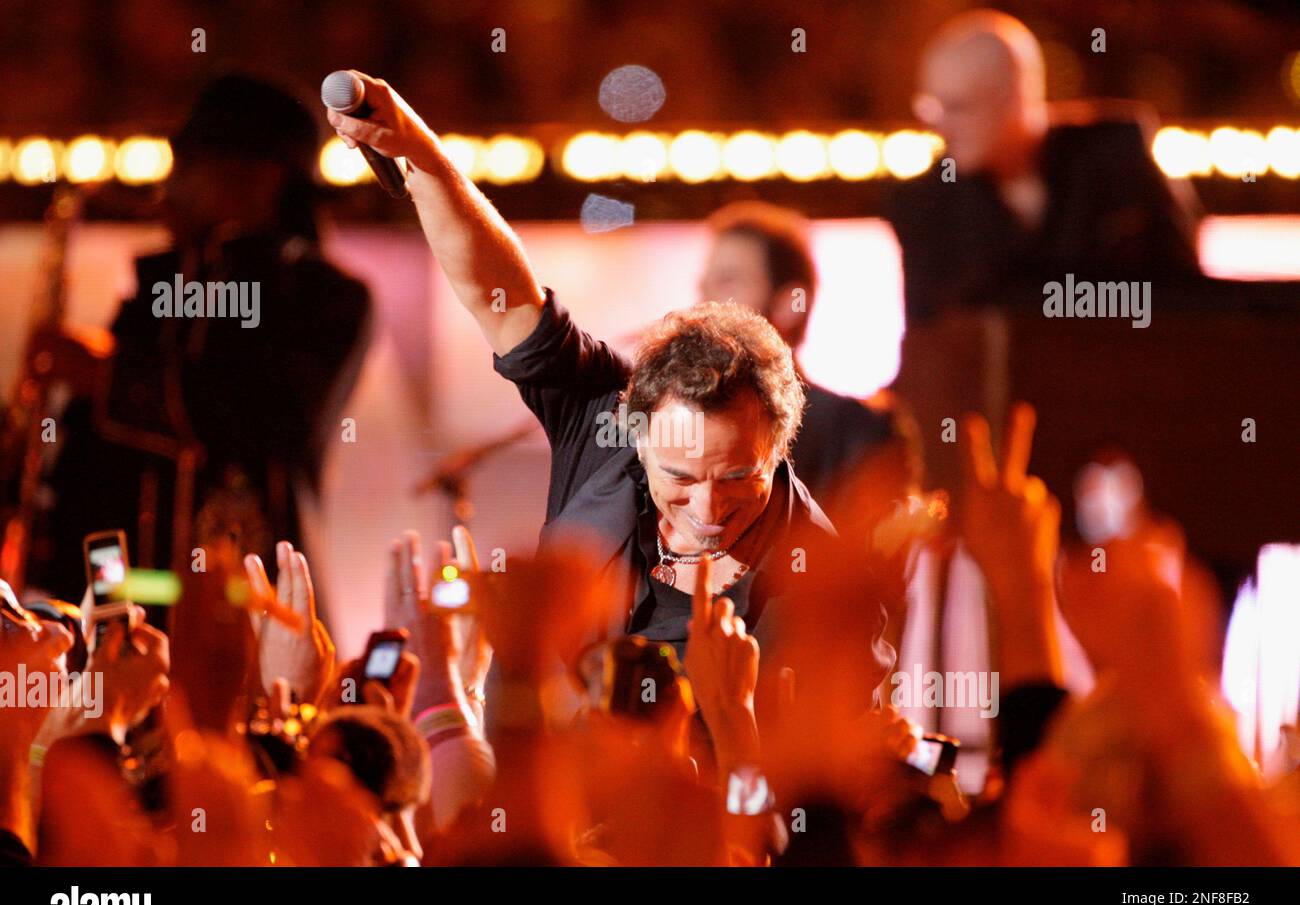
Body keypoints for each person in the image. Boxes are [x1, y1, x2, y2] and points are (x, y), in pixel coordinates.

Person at [323, 74, 893, 683]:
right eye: (678, 475)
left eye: (735, 477)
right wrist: (421, 155)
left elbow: (813, 773)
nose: (707, 508)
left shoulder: (819, 590)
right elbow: (504, 300)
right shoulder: (605, 421)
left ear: (779, 449)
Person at [34, 73, 372, 603]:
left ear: (256, 176)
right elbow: (101, 453)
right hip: (127, 602)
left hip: (248, 611)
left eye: (187, 164)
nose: (170, 184)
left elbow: (272, 418)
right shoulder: (168, 282)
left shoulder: (325, 296)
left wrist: (106, 375)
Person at [885, 8, 1203, 327]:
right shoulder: (924, 205)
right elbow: (933, 339)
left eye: (958, 107)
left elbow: (1189, 299)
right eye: (931, 109)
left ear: (1014, 97)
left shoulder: (1118, 161)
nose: (942, 128)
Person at [701, 201, 921, 532]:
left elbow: (868, 563)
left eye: (729, 282)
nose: (705, 303)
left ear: (791, 304)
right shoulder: (678, 427)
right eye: (705, 286)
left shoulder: (853, 431)